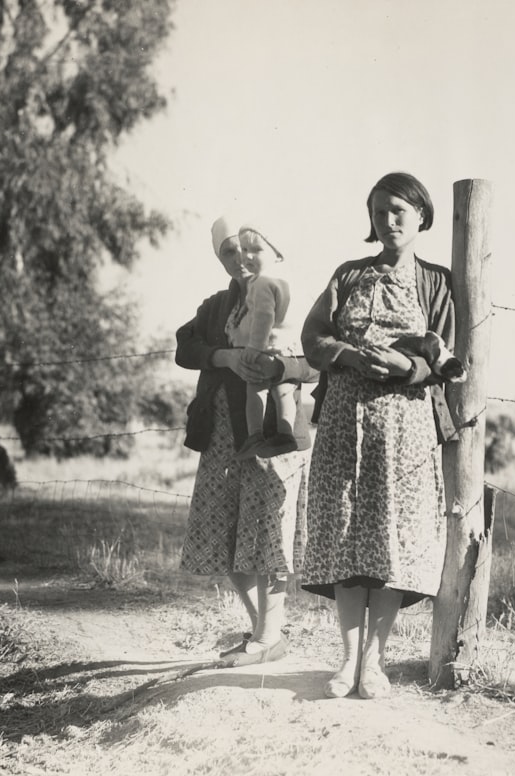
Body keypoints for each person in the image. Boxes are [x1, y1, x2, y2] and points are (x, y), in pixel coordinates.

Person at [300, 172, 460, 699]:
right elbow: (314, 336)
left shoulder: (436, 282)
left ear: (421, 216)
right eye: (378, 212)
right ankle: (346, 662)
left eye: (398, 211)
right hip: (345, 424)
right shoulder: (348, 275)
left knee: (390, 540)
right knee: (347, 537)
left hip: (405, 429)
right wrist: (348, 355)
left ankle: (375, 663)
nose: (388, 222)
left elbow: (446, 357)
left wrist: (404, 365)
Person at [176, 215, 319, 665]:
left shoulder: (285, 293)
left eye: (245, 249)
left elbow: (315, 363)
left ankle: (266, 636)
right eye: (228, 252)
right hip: (221, 437)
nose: (239, 259)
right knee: (224, 536)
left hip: (270, 437)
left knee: (266, 536)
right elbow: (184, 346)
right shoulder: (217, 306)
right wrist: (225, 356)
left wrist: (279, 369)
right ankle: (266, 633)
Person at [228, 224, 299, 460]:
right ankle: (286, 433)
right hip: (288, 349)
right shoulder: (286, 280)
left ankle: (254, 435)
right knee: (284, 391)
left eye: (256, 250)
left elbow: (264, 317)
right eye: (244, 248)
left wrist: (254, 347)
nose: (247, 256)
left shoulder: (261, 282)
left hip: (267, 346)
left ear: (276, 254)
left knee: (254, 387)